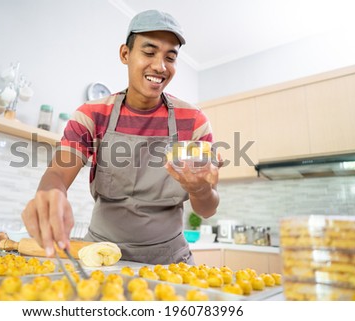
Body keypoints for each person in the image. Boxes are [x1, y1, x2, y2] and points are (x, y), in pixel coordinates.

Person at [22, 9, 221, 265]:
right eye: (149, 52)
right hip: (100, 256)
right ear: (125, 54)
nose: (160, 66)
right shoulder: (92, 115)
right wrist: (51, 193)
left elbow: (207, 209)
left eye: (170, 58)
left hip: (170, 261)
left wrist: (200, 188)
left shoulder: (194, 121)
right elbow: (58, 174)